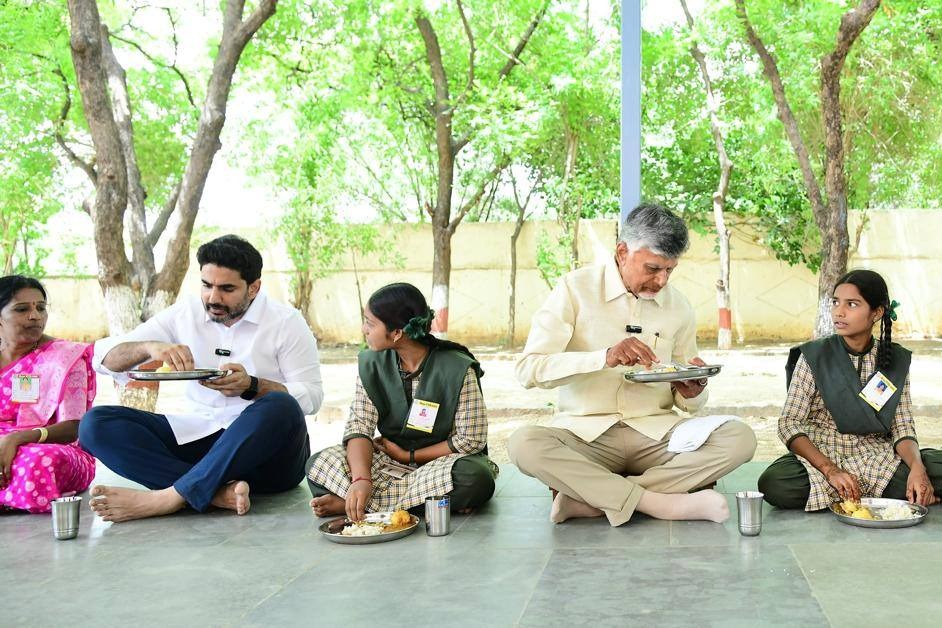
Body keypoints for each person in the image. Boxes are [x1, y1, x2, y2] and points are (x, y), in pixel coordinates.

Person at [508, 203, 756, 526]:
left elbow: (689, 403)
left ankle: (595, 499)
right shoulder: (574, 289)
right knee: (523, 445)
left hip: (656, 434)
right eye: (653, 268)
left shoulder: (679, 306)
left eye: (670, 270)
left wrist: (692, 391)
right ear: (623, 252)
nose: (662, 280)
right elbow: (529, 370)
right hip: (586, 434)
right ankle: (660, 503)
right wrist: (604, 357)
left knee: (740, 438)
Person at [80, 235, 323, 522]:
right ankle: (216, 494)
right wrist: (149, 347)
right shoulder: (185, 313)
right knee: (95, 424)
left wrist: (253, 386)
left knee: (281, 405)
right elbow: (103, 358)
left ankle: (168, 498)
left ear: (254, 288)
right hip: (200, 437)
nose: (213, 298)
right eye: (207, 285)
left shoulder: (285, 322)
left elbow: (312, 397)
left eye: (227, 289)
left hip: (267, 458)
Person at [307, 282, 497, 521]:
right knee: (318, 464)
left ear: (397, 333)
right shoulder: (372, 364)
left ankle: (357, 504)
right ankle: (428, 504)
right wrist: (361, 479)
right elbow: (359, 428)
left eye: (370, 323)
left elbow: (471, 440)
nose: (364, 329)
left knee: (474, 479)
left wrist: (409, 456)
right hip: (388, 464)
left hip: (440, 464)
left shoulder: (457, 368)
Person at [758, 269, 942, 510]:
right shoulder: (815, 355)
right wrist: (830, 470)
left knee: (932, 467)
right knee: (775, 483)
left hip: (878, 459)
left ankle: (859, 492)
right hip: (823, 455)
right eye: (836, 302)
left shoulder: (894, 360)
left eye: (852, 304)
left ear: (877, 312)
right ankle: (887, 493)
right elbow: (789, 423)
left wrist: (918, 469)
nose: (839, 312)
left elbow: (902, 426)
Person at [0, 275, 97, 513]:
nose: (35, 316)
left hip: (50, 446)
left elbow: (74, 427)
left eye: (41, 308)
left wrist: (16, 439)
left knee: (39, 462)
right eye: (22, 309)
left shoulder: (65, 357)